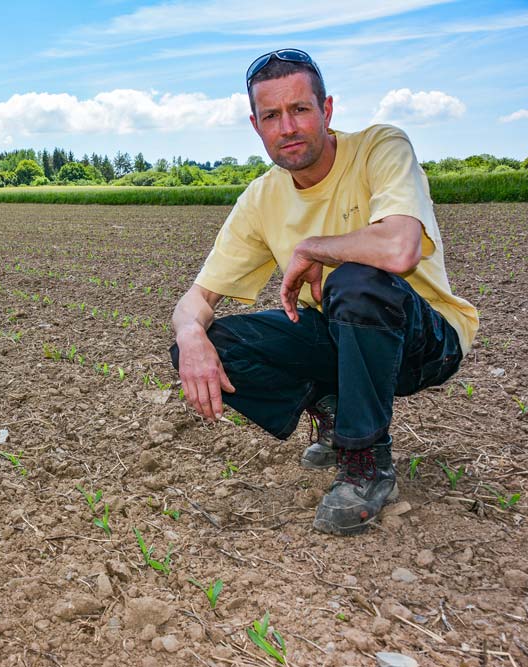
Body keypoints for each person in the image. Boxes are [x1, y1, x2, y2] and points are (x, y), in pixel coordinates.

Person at [170, 49, 478, 536]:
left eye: (300, 109)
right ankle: (336, 410)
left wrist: (318, 247)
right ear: (256, 126)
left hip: (424, 340)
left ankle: (366, 462)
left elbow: (400, 249)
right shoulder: (261, 197)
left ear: (327, 110)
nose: (287, 127)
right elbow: (197, 300)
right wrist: (189, 338)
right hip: (342, 335)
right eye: (272, 115)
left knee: (357, 281)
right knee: (214, 342)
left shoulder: (381, 146)